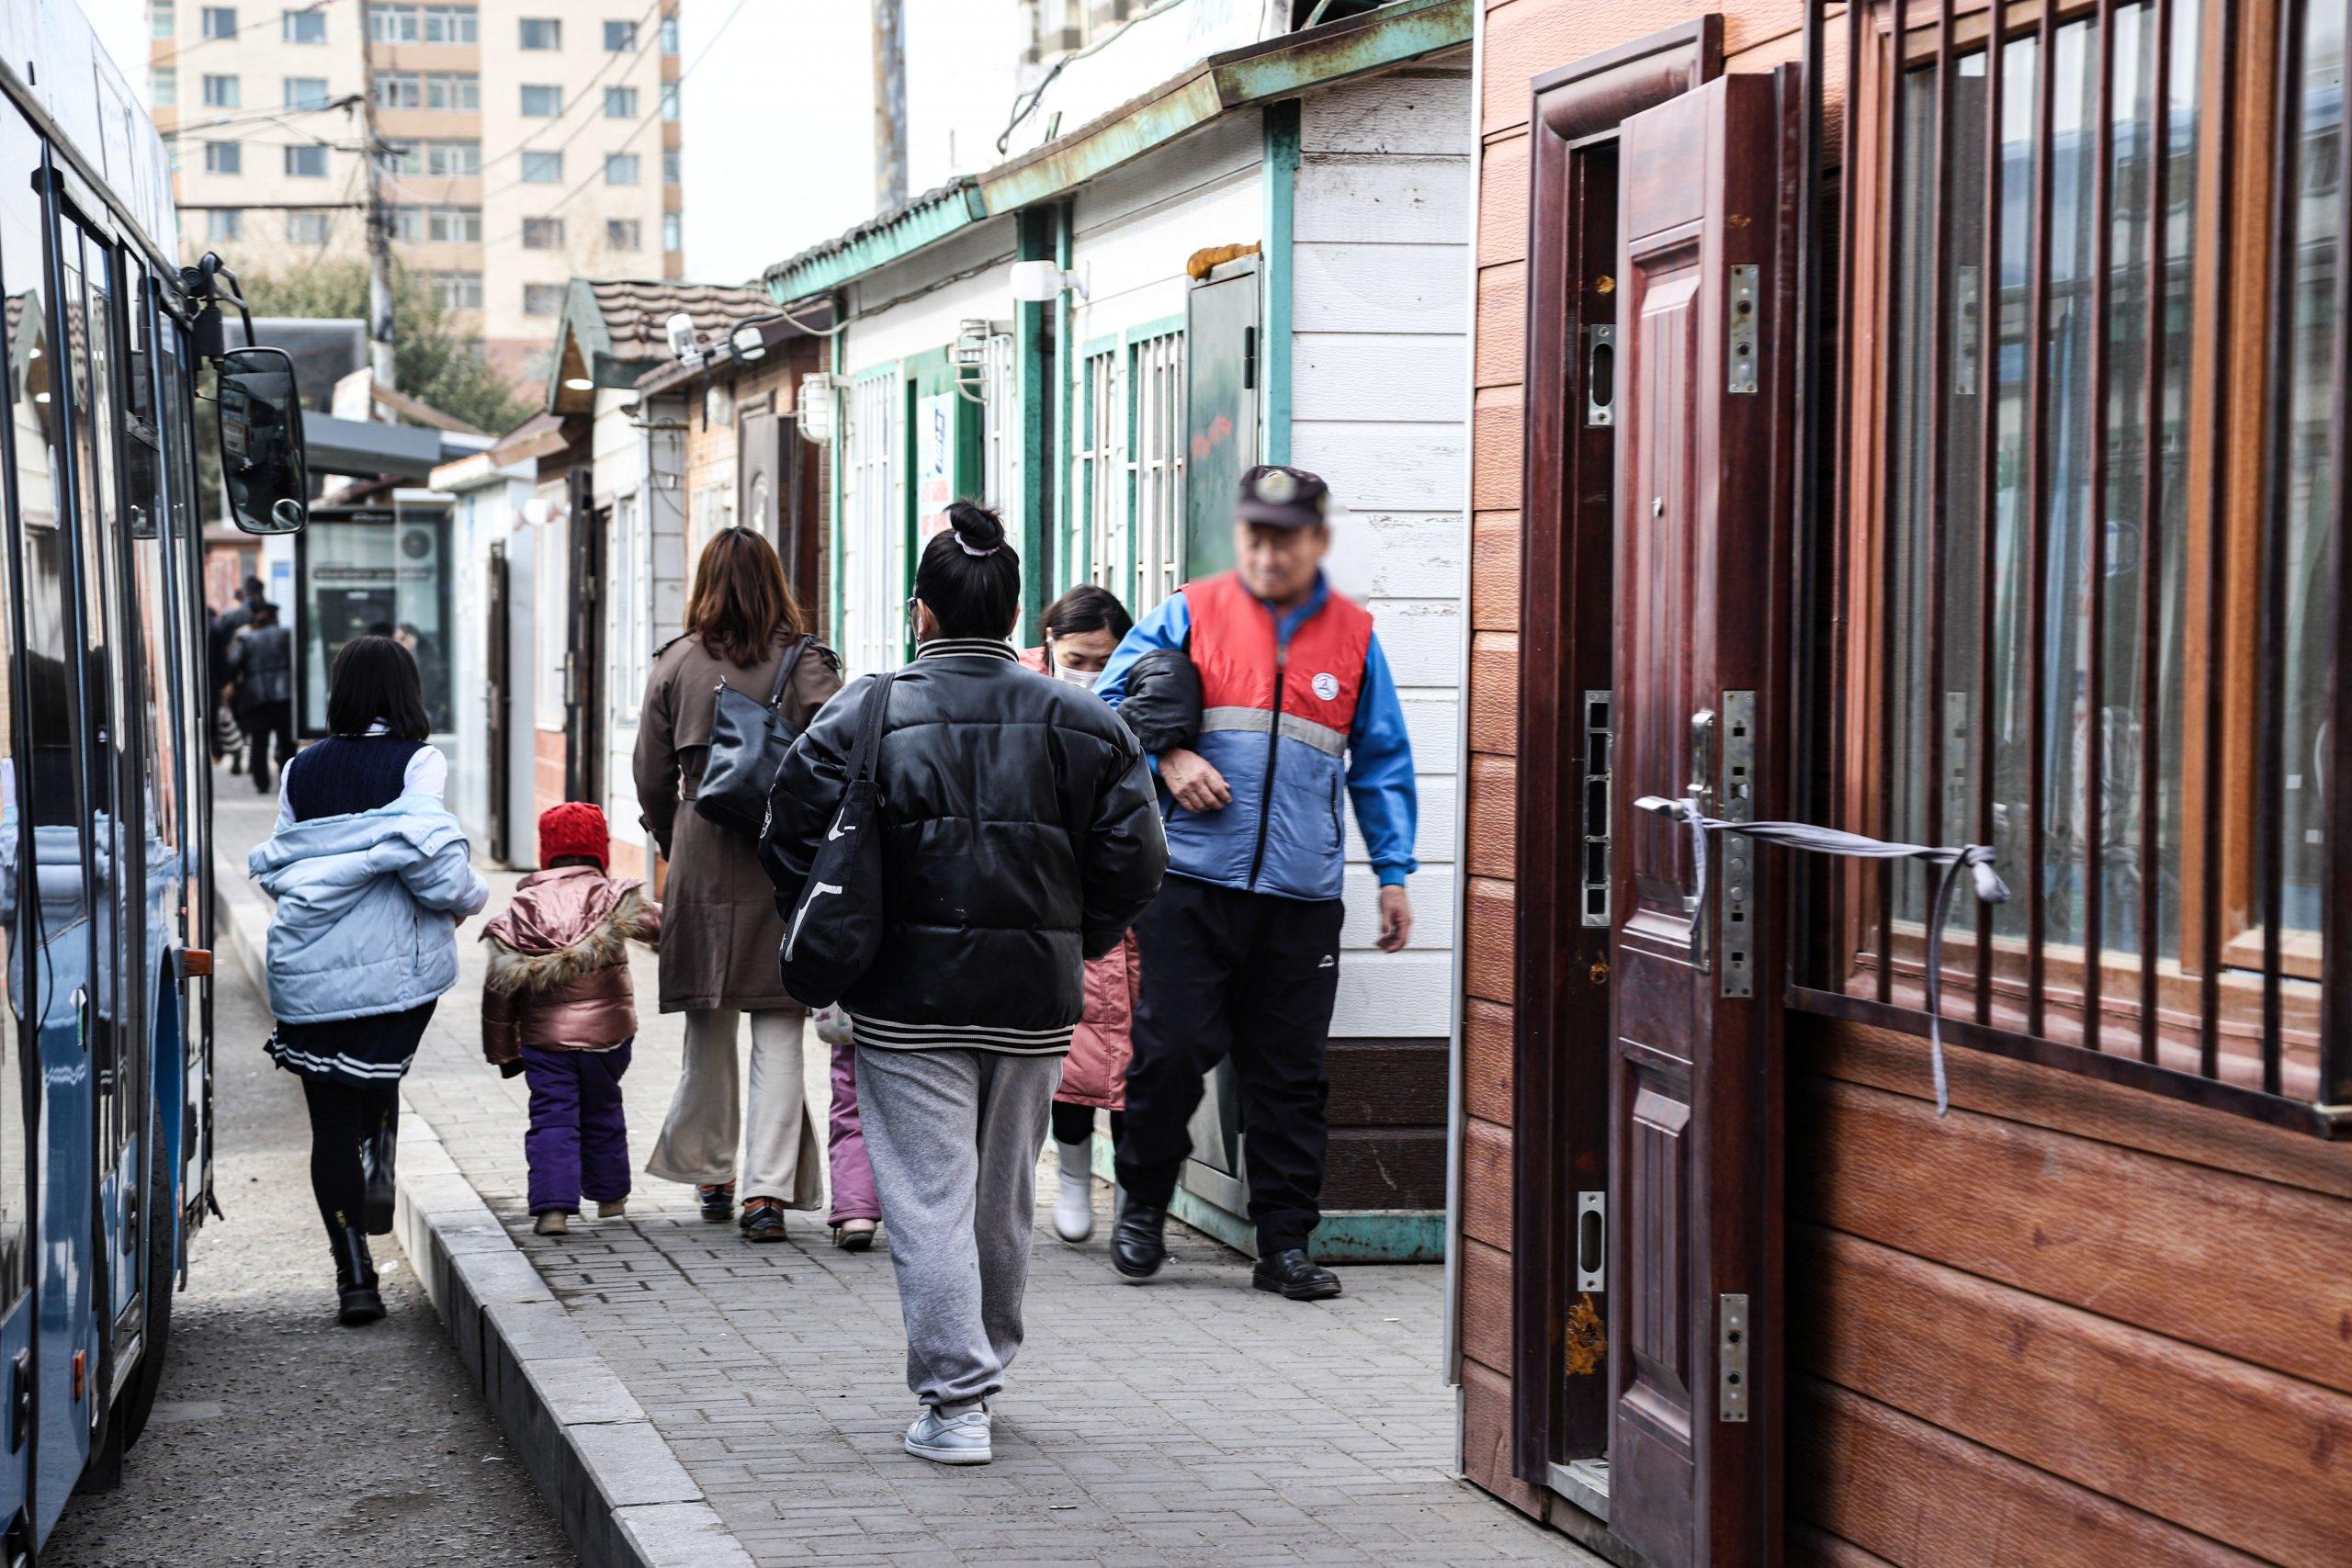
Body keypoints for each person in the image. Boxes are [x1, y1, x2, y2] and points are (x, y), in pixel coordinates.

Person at [763, 501, 1166, 1466]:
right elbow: (1137, 858)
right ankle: (982, 1370)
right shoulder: (1084, 718)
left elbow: (787, 834)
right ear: (1016, 614)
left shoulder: (867, 709)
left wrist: (845, 942)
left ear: (920, 613)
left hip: (905, 997)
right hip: (1034, 995)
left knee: (928, 1196)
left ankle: (956, 1402)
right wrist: (1077, 933)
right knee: (997, 1199)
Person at [1096, 465, 1418, 1303]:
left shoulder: (1352, 636)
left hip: (1299, 895)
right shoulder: (1188, 611)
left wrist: (1393, 873)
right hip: (1192, 881)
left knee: (1290, 1073)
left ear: (1316, 539)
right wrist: (1168, 756)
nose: (1268, 551)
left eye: (1286, 535)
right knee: (1169, 1054)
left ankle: (1283, 1244)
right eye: (1255, 534)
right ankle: (1143, 1209)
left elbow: (1380, 762)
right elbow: (1104, 704)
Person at [247, 635, 488, 1326]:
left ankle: (354, 1274)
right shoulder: (419, 761)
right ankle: (379, 1174)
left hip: (309, 967)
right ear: (406, 690)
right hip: (393, 970)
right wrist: (471, 897)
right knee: (376, 1074)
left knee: (329, 1117)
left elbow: (282, 864)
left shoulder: (300, 768)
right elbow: (433, 861)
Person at [634, 527, 842, 1242]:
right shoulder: (808, 663)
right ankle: (766, 1193)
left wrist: (674, 840)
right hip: (782, 859)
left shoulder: (676, 663)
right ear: (776, 583)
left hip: (699, 847)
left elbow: (651, 776)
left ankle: (712, 1170)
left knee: (708, 1023)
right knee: (780, 1025)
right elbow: (840, 758)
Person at [1016, 584, 1139, 1244]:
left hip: (1124, 904)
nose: (1089, 672)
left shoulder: (1142, 696)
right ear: (1049, 647)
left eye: (1103, 659)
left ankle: (1131, 1193)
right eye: (1077, 657)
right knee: (1070, 1051)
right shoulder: (1020, 695)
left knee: (1130, 1057)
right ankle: (1069, 1175)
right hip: (1050, 900)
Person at [481, 803, 662, 1238]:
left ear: (547, 851)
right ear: (599, 848)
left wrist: (503, 1051)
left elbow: (500, 987)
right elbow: (665, 928)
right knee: (603, 1108)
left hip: (544, 1042)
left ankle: (553, 1210)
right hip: (609, 1035)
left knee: (552, 1117)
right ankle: (610, 1196)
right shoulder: (613, 897)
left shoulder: (523, 907)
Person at [230, 600, 296, 792]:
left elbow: (233, 663)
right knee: (287, 743)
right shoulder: (287, 635)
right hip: (285, 696)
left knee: (259, 743)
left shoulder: (247, 638)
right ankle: (286, 782)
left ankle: (262, 783)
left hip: (257, 697)